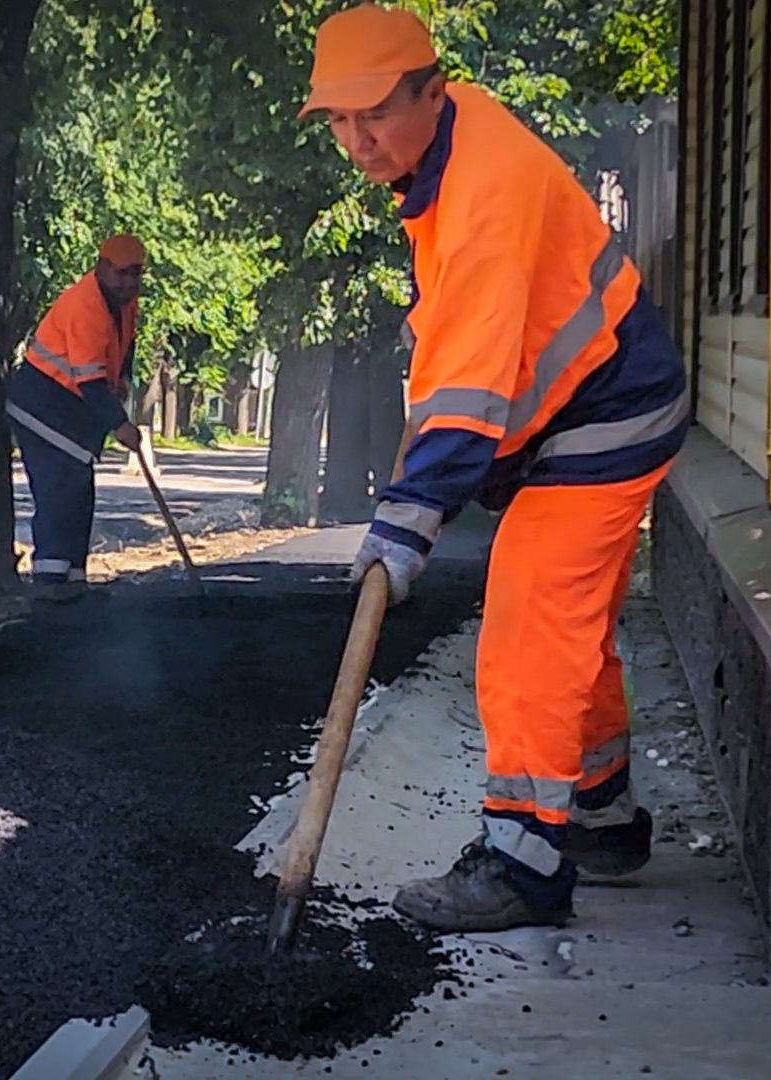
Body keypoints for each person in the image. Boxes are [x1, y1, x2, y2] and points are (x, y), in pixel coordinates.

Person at [301, 4, 690, 932]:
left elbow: (472, 385)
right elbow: (457, 323)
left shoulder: (486, 181)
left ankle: (523, 862)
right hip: (577, 407)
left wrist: (407, 519)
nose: (358, 143)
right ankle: (597, 815)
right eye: (339, 123)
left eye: (376, 116)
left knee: (527, 624)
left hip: (606, 414)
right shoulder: (444, 140)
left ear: (432, 90)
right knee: (571, 631)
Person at [8, 234, 147, 587]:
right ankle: (50, 582)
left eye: (135, 273)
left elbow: (125, 345)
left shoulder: (125, 303)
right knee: (61, 490)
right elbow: (88, 380)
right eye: (121, 273)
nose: (129, 281)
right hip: (44, 407)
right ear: (101, 268)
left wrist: (124, 379)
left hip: (69, 410)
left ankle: (72, 579)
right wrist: (120, 425)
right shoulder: (86, 306)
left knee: (79, 492)